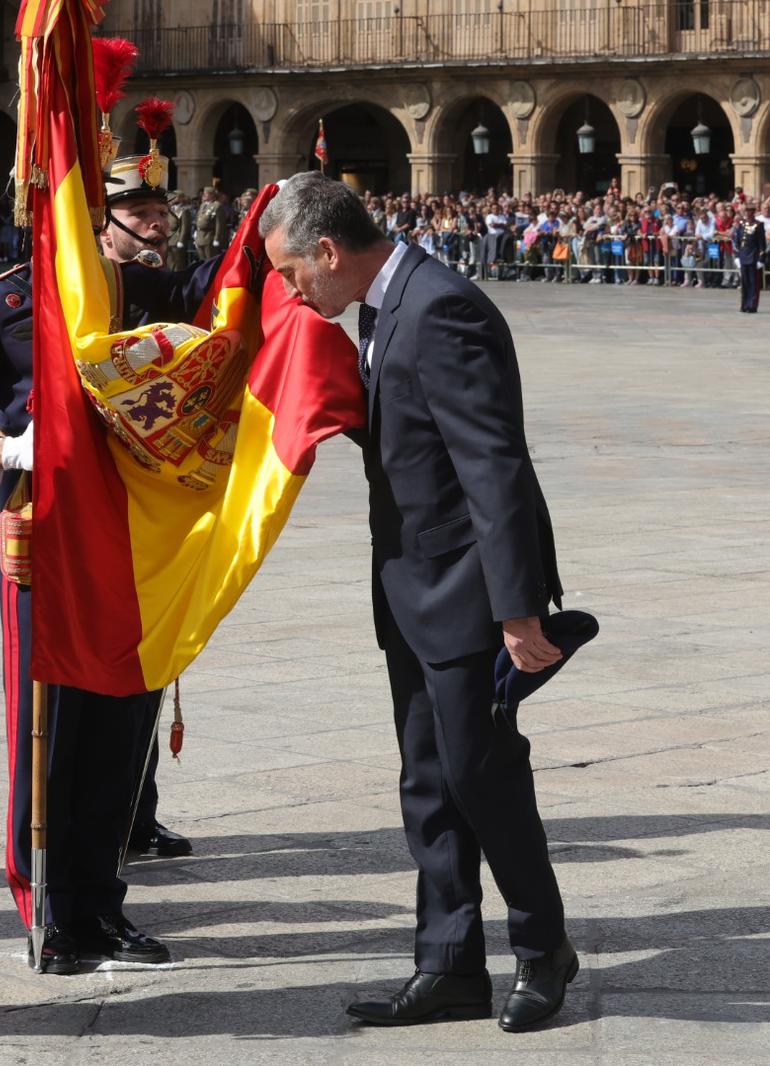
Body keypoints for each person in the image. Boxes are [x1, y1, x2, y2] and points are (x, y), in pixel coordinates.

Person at [260, 172, 577, 1033]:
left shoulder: (441, 308)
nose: (290, 291)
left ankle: (544, 947)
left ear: (328, 252)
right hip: (412, 585)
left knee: (483, 775)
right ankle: (448, 963)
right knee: (429, 783)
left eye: (291, 273)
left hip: (466, 589)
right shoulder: (382, 307)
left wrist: (517, 609)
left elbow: (493, 465)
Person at [0, 152, 213, 974]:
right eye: (135, 207)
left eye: (159, 206)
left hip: (134, 539)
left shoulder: (161, 295)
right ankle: (48, 905)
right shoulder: (9, 299)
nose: (152, 220)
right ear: (94, 216)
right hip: (42, 537)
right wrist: (8, 447)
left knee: (121, 732)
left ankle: (101, 903)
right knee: (48, 736)